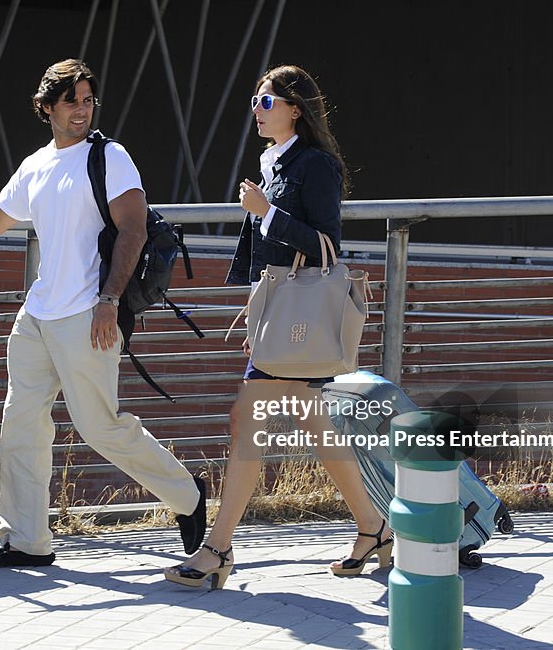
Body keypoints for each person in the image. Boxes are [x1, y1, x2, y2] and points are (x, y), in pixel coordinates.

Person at [0, 59, 206, 568]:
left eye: (87, 100)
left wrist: (108, 301)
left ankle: (188, 493)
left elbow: (134, 230)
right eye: (70, 101)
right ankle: (26, 540)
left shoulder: (110, 157)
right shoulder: (36, 164)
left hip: (88, 312)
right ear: (46, 108)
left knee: (100, 426)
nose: (81, 110)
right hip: (37, 315)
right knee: (20, 425)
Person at [163, 65, 392, 590]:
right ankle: (373, 527)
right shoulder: (272, 164)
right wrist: (259, 316)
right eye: (255, 101)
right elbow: (266, 257)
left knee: (246, 424)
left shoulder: (316, 166)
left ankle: (217, 548)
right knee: (315, 429)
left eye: (266, 102)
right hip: (284, 325)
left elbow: (326, 244)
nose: (257, 111)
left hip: (303, 324)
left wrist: (266, 212)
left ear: (296, 109)